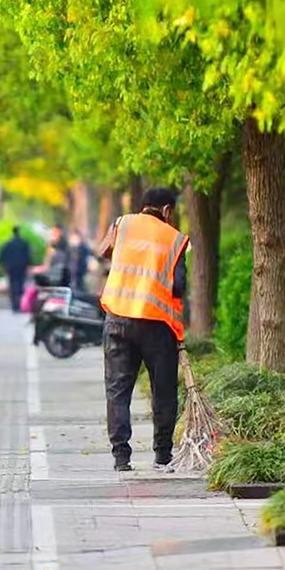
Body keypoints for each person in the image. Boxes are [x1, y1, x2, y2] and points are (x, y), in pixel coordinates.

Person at [98, 187, 189, 473]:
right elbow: (179, 285)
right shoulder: (174, 240)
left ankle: (121, 457)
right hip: (156, 325)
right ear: (167, 211)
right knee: (163, 391)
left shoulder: (122, 223)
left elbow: (102, 251)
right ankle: (162, 455)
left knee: (118, 389)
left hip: (117, 319)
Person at [0, 225, 32, 312]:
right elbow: (28, 257)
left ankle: (14, 305)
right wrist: (28, 266)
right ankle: (20, 304)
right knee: (21, 286)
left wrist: (4, 267)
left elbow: (2, 257)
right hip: (22, 267)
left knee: (12, 286)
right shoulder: (24, 243)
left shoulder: (8, 244)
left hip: (11, 268)